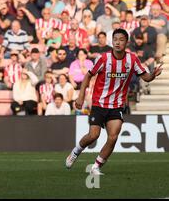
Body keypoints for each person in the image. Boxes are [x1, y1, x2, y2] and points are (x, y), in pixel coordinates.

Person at [65, 28, 163, 175]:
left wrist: (153, 75)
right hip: (99, 103)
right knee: (93, 135)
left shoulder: (132, 60)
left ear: (126, 42)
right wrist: (80, 96)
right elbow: (88, 76)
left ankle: (96, 167)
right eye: (115, 39)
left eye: (121, 40)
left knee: (113, 137)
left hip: (117, 105)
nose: (117, 42)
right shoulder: (103, 58)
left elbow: (146, 77)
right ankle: (76, 151)